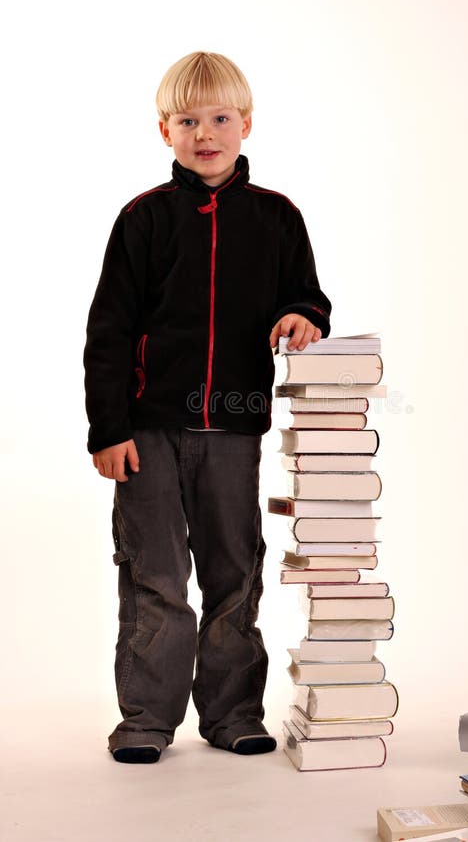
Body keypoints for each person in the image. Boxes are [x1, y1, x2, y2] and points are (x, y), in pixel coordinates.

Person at [83, 51, 331, 763]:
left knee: (232, 573)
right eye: (188, 121)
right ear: (165, 132)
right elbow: (109, 331)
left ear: (245, 124)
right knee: (154, 574)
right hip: (148, 430)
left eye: (220, 118)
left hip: (233, 426)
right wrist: (109, 429)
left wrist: (302, 316)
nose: (205, 133)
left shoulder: (277, 218)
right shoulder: (144, 219)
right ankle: (146, 720)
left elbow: (306, 293)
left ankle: (231, 713)